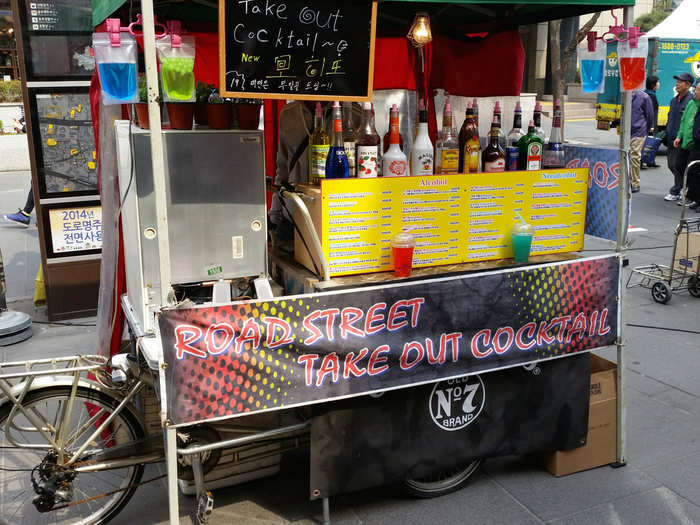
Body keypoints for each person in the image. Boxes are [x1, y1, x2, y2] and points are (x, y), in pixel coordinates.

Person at [664, 72, 694, 201]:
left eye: (680, 82)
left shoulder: (691, 101)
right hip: (671, 139)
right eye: (677, 81)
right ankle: (681, 187)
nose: (677, 84)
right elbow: (670, 118)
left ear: (688, 85)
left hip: (682, 140)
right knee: (671, 164)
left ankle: (679, 189)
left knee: (679, 165)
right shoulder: (674, 100)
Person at [674, 80, 699, 209]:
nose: (695, 92)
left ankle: (691, 196)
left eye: (698, 90)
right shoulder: (691, 103)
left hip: (695, 143)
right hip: (686, 141)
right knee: (679, 165)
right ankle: (688, 191)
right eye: (695, 89)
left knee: (693, 170)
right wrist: (679, 136)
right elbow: (684, 122)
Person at [629, 89, 654, 193]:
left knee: (634, 156)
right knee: (626, 156)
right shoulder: (625, 95)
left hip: (639, 130)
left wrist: (648, 128)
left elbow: (650, 114)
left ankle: (635, 183)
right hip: (627, 131)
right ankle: (627, 180)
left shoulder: (644, 97)